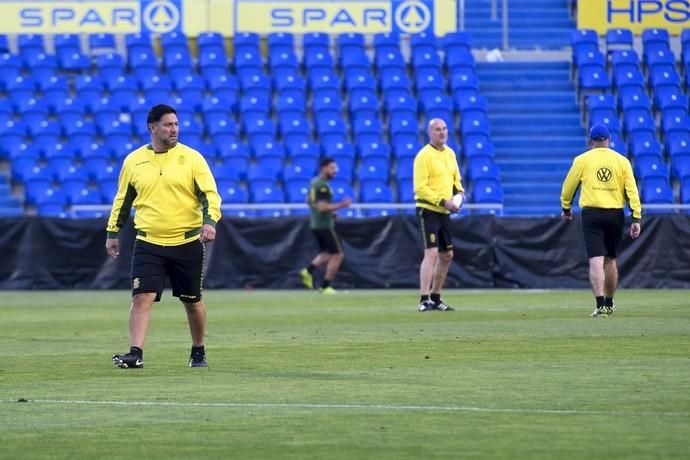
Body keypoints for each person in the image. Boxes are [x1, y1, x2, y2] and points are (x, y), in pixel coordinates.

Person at [105, 104, 222, 368]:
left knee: (192, 302)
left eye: (176, 124)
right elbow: (122, 201)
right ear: (152, 127)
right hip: (148, 241)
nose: (174, 129)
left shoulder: (192, 158)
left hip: (187, 241)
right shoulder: (133, 161)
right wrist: (113, 232)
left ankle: (198, 349)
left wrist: (210, 221)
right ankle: (136, 354)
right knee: (141, 297)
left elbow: (210, 195)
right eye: (168, 125)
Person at [561, 123, 642, 317]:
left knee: (595, 261)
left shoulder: (581, 160)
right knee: (611, 260)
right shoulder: (622, 161)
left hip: (592, 214)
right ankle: (610, 302)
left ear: (590, 141)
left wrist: (566, 208)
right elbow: (631, 190)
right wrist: (636, 217)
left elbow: (568, 186)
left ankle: (600, 305)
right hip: (615, 213)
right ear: (609, 140)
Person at [413, 118, 465, 312]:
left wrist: (459, 195)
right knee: (432, 252)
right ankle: (423, 298)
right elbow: (420, 188)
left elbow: (456, 181)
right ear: (430, 133)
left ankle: (436, 297)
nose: (442, 133)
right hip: (428, 209)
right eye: (437, 130)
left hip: (444, 211)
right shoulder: (424, 156)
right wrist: (444, 201)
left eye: (444, 129)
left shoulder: (450, 154)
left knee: (447, 255)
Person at [299, 157, 352, 294]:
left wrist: (331, 212)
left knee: (327, 253)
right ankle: (325, 286)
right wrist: (342, 205)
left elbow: (308, 201)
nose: (335, 171)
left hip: (316, 223)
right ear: (324, 168)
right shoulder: (322, 185)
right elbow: (322, 207)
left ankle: (307, 271)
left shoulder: (314, 182)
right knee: (338, 255)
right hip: (324, 225)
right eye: (332, 168)